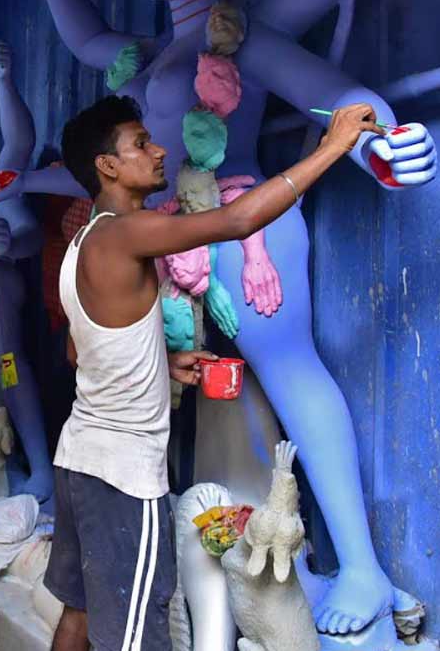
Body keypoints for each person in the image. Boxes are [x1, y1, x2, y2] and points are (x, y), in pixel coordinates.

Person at [46, 96, 382, 651]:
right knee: (132, 638)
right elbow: (238, 218)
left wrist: (162, 365)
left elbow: (80, 352)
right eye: (139, 143)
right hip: (123, 478)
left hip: (78, 461)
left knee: (78, 616)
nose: (158, 151)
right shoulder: (127, 232)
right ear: (107, 165)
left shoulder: (83, 242)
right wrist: (333, 147)